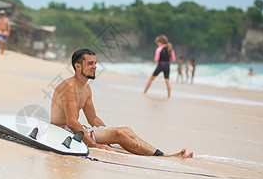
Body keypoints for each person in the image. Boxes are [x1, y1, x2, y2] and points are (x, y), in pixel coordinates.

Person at [50, 48, 193, 158]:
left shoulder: (86, 88)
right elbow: (72, 122)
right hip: (62, 131)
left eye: (95, 63)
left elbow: (93, 118)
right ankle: (166, 157)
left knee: (126, 130)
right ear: (78, 66)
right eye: (90, 63)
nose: (95, 66)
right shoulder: (69, 87)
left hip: (76, 129)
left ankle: (160, 153)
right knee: (119, 134)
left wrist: (108, 135)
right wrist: (95, 144)